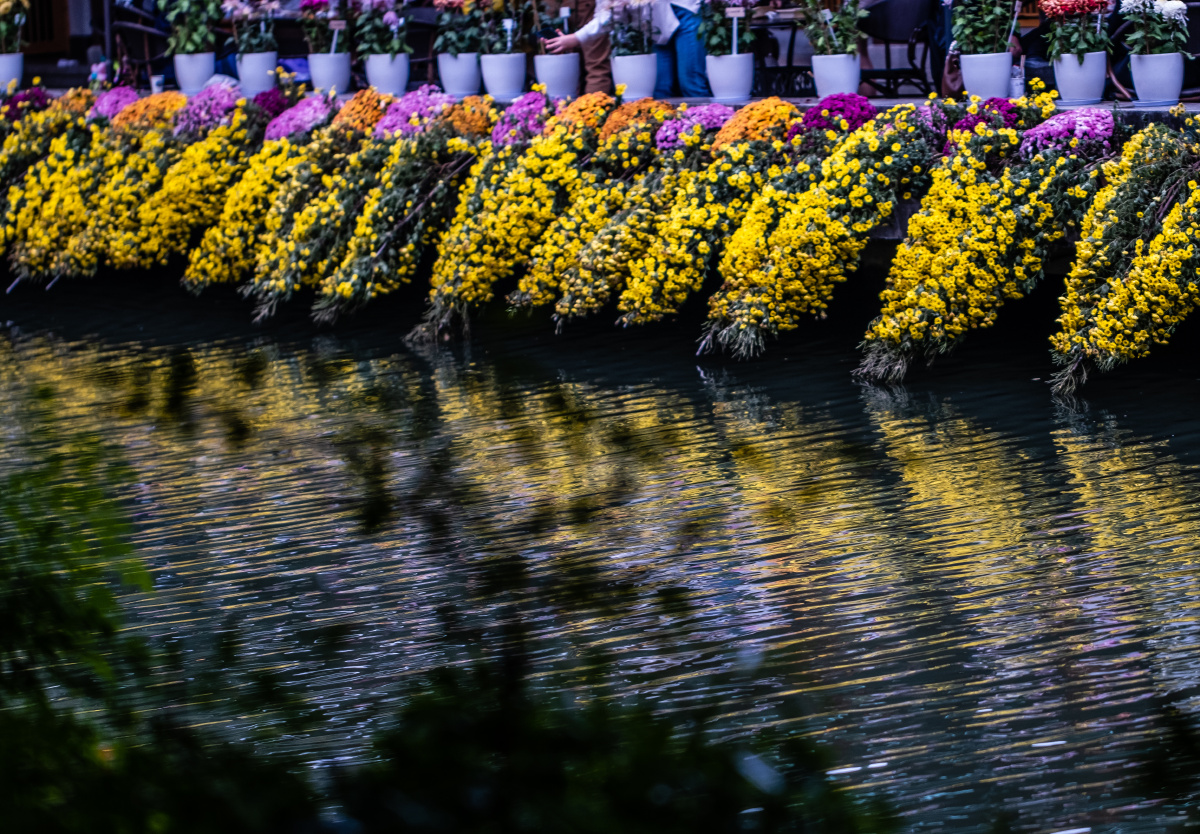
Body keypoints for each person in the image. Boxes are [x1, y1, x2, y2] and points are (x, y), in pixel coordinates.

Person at [544, 0, 711, 98]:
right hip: (655, 25)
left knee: (691, 83)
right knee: (660, 88)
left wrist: (575, 38)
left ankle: (708, 135)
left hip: (683, 11)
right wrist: (573, 38)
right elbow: (606, 13)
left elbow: (611, 14)